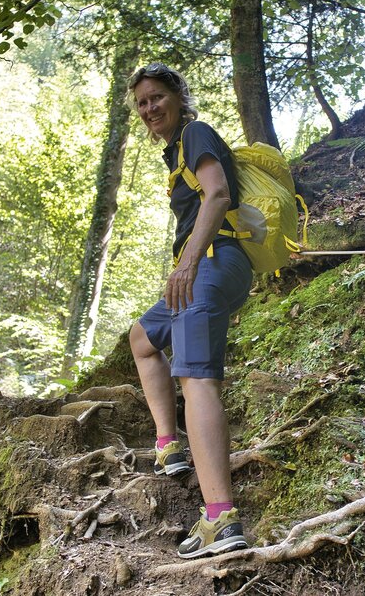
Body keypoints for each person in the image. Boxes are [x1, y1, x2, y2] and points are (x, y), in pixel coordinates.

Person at [127, 63, 252, 559]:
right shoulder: (174, 151)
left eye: (157, 97)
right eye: (141, 103)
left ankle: (220, 518)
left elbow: (218, 193)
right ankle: (168, 443)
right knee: (142, 338)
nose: (149, 108)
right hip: (206, 267)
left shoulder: (195, 132)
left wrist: (188, 262)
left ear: (178, 96)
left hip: (211, 262)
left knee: (197, 378)